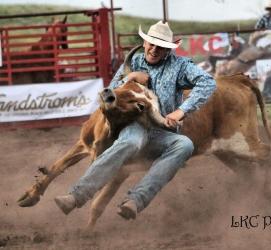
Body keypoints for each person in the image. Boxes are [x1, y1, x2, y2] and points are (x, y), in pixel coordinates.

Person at [54, 21, 216, 220]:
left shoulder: (180, 66)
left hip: (161, 131)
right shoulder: (134, 63)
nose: (154, 49)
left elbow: (208, 82)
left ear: (168, 49)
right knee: (130, 141)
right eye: (151, 44)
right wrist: (129, 77)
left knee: (184, 144)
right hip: (134, 126)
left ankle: (136, 200)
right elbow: (108, 96)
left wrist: (181, 111)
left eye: (161, 46)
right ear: (145, 42)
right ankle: (75, 196)